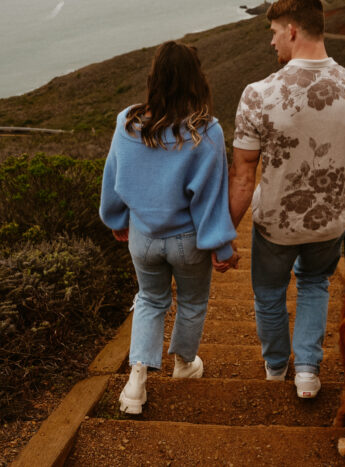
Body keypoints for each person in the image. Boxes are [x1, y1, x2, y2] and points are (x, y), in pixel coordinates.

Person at [229, 0, 345, 399]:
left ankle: (278, 367)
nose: (272, 41)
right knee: (316, 283)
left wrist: (223, 233)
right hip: (331, 222)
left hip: (276, 224)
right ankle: (309, 373)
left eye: (275, 32)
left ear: (293, 30)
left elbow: (244, 176)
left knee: (268, 293)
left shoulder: (256, 95)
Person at [100, 41, 239, 415]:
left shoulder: (127, 122)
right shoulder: (206, 132)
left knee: (149, 300)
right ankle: (183, 366)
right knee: (191, 302)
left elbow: (113, 176)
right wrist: (223, 248)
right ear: (197, 81)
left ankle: (136, 384)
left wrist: (115, 219)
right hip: (188, 241)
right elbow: (210, 198)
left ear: (153, 79)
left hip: (143, 237)